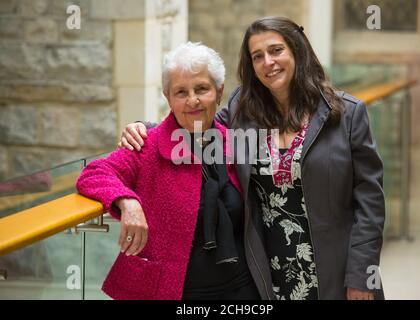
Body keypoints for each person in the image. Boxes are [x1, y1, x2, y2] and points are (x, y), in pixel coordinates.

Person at [118, 16, 385, 300]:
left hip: (335, 270)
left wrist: (361, 276)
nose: (268, 62)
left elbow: (370, 203)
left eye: (276, 50)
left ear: (297, 51)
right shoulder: (240, 113)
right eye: (258, 56)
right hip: (268, 273)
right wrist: (142, 129)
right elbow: (192, 124)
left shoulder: (346, 114)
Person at [76, 42, 260, 300]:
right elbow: (94, 173)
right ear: (168, 98)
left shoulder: (234, 143)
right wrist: (128, 202)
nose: (193, 100)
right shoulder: (146, 145)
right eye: (181, 92)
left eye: (202, 89)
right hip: (172, 292)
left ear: (219, 92)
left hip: (241, 289)